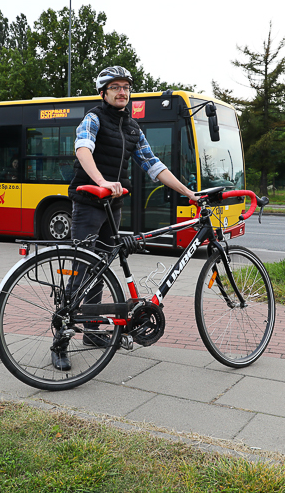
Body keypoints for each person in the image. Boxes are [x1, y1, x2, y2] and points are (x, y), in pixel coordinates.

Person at [56, 66, 198, 371]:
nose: (123, 92)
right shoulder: (93, 118)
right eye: (116, 87)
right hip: (88, 204)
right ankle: (61, 340)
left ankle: (92, 331)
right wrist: (101, 182)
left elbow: (153, 164)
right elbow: (83, 150)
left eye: (126, 87)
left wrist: (189, 193)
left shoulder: (133, 128)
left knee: (101, 269)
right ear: (104, 92)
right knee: (81, 271)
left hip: (113, 207)